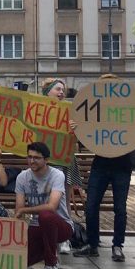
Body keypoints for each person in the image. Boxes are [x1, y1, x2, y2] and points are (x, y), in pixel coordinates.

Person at [73, 75, 135, 262]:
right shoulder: (96, 109)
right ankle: (92, 244)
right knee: (91, 205)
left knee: (120, 208)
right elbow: (88, 136)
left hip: (122, 166)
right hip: (100, 165)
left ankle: (118, 245)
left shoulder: (125, 109)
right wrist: (76, 129)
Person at [14, 141, 74, 269]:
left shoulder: (57, 175)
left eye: (36, 158)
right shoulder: (22, 177)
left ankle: (51, 263)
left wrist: (25, 210)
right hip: (35, 226)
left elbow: (52, 207)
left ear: (46, 160)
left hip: (61, 226)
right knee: (20, 263)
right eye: (29, 157)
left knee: (46, 215)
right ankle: (48, 250)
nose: (32, 161)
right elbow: (19, 208)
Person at [41, 77, 81, 254]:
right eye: (57, 89)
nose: (61, 92)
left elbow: (76, 140)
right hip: (46, 161)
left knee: (62, 199)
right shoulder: (38, 111)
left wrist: (75, 129)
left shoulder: (69, 112)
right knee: (49, 200)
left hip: (64, 160)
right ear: (47, 91)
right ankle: (57, 236)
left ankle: (64, 237)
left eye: (62, 90)